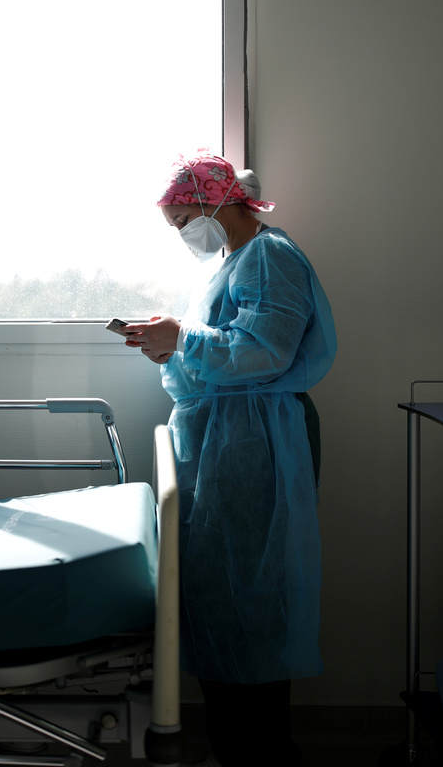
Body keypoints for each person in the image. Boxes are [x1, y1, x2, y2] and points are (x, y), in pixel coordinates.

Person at [121, 151, 337, 766]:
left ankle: (261, 753)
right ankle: (236, 748)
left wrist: (182, 339)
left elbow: (265, 352)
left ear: (216, 202)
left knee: (253, 595)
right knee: (223, 594)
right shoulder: (227, 263)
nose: (182, 235)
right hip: (223, 438)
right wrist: (172, 347)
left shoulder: (271, 257)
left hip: (256, 439)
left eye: (183, 221)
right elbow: (217, 352)